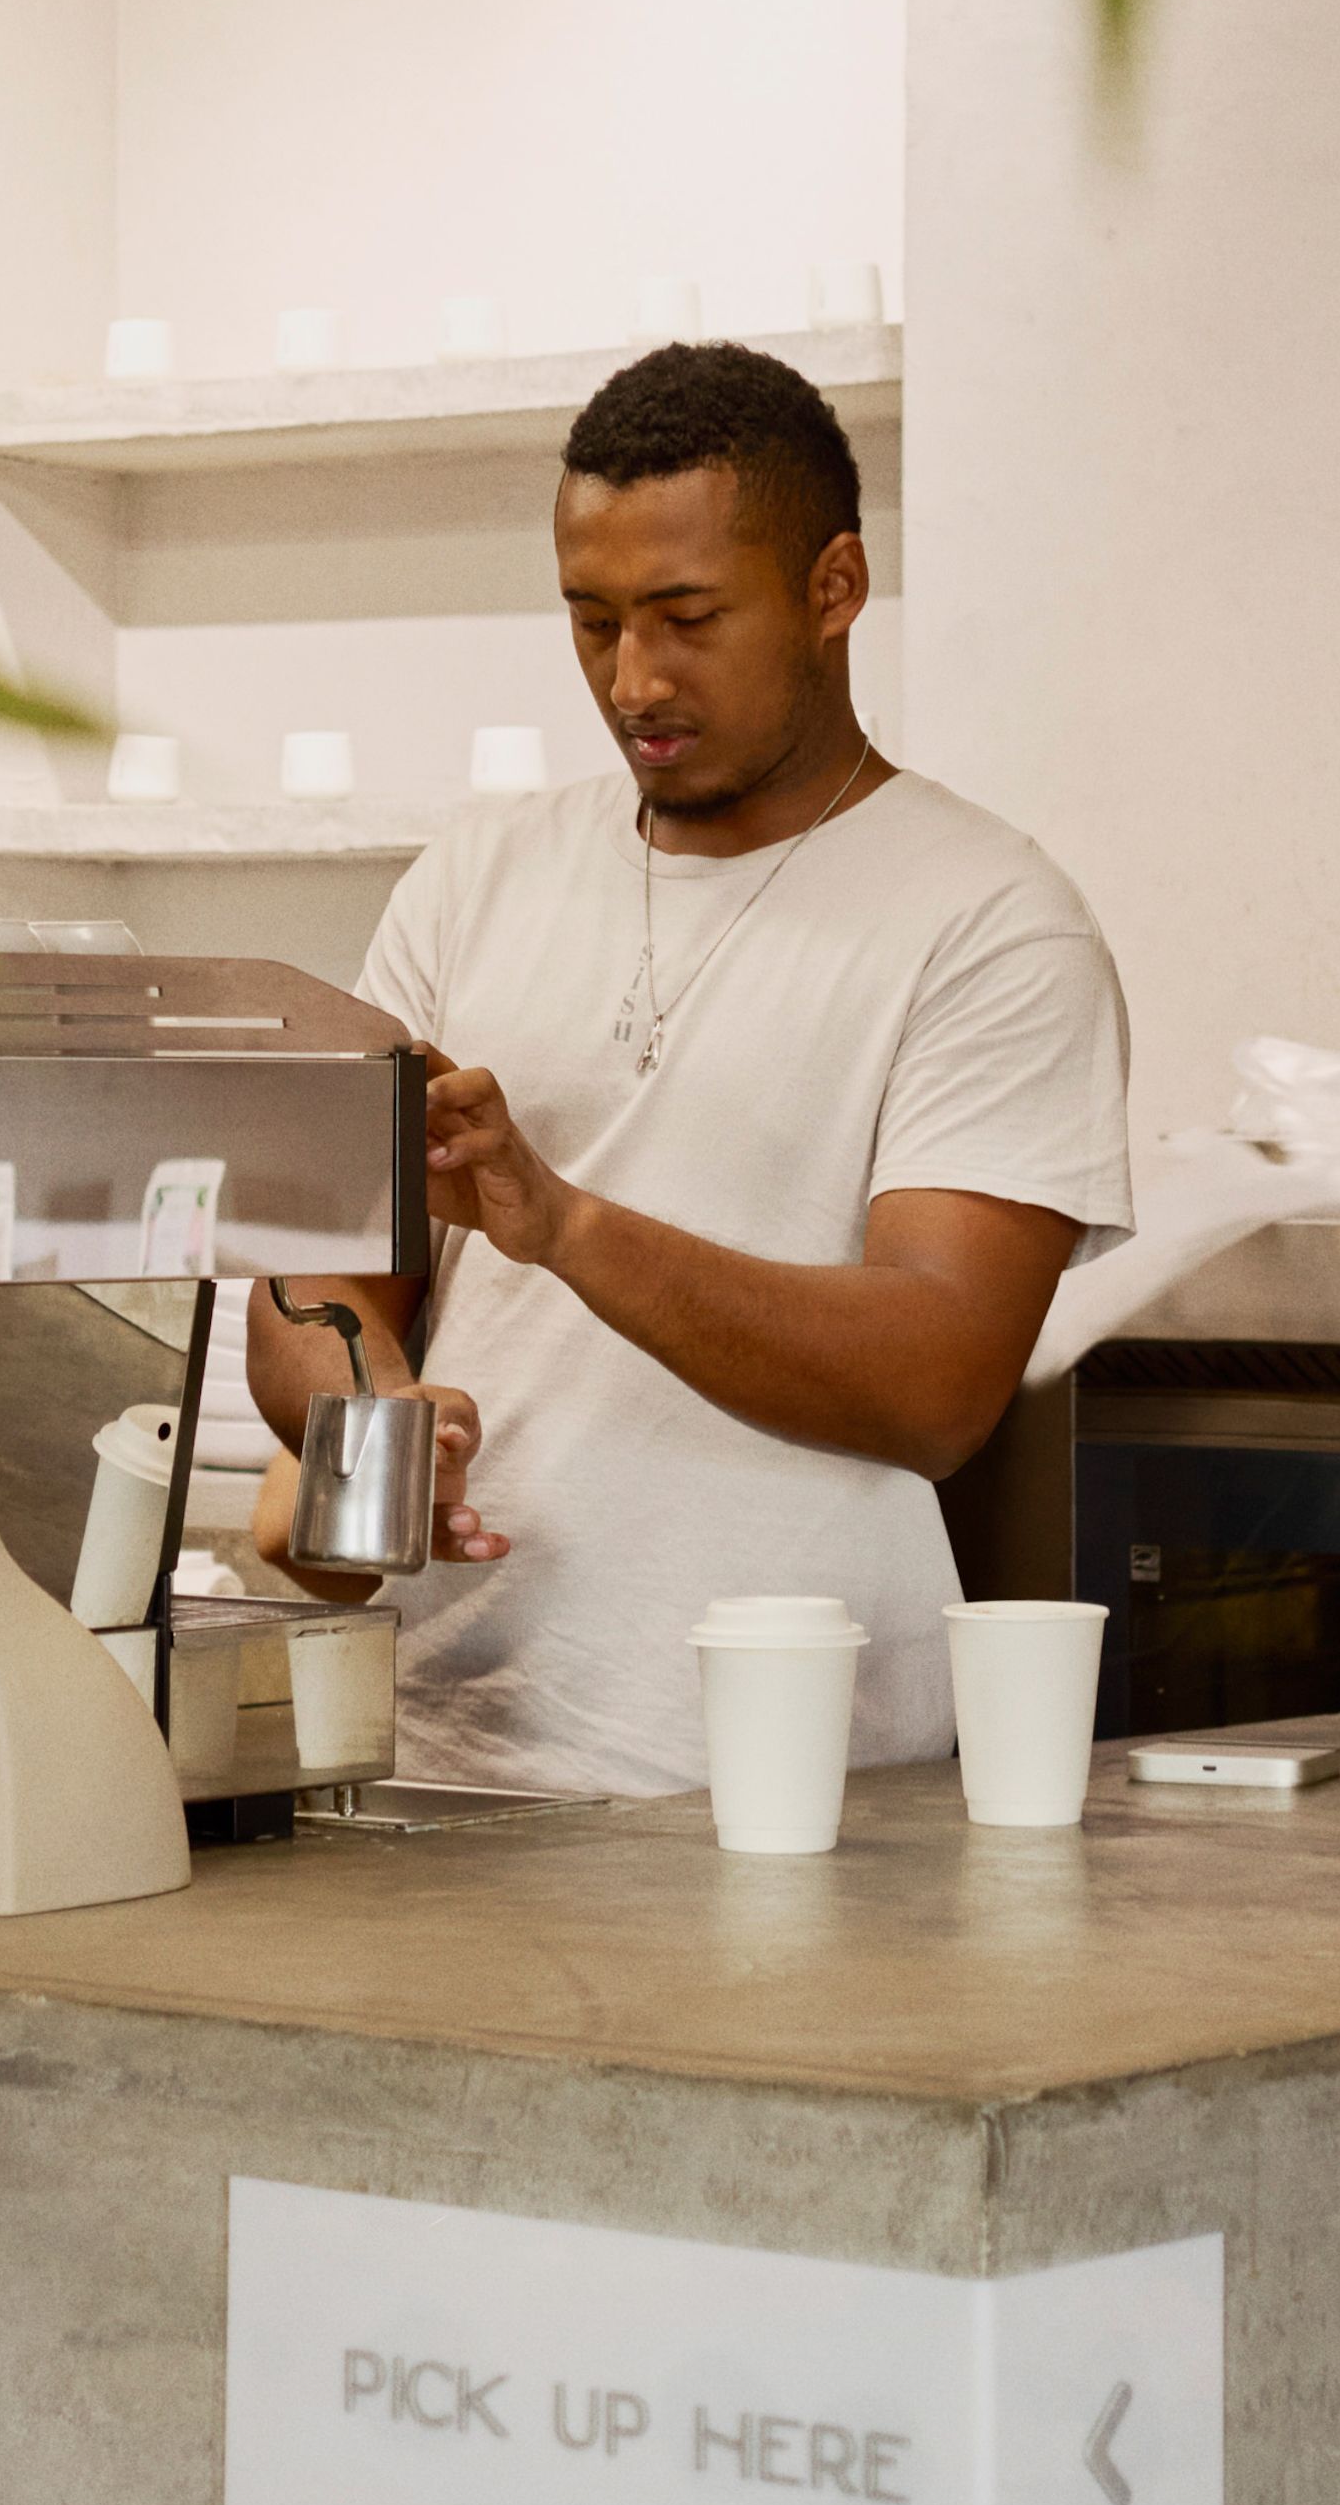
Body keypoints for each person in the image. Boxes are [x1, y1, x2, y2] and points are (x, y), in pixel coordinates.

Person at [247, 340, 1132, 1794]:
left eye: (686, 616)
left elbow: (938, 1377)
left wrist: (569, 1225)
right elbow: (312, 1273)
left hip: (799, 1783)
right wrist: (372, 1398)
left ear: (834, 588)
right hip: (436, 1756)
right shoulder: (478, 877)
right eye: (591, 621)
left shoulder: (988, 920)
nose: (632, 677)